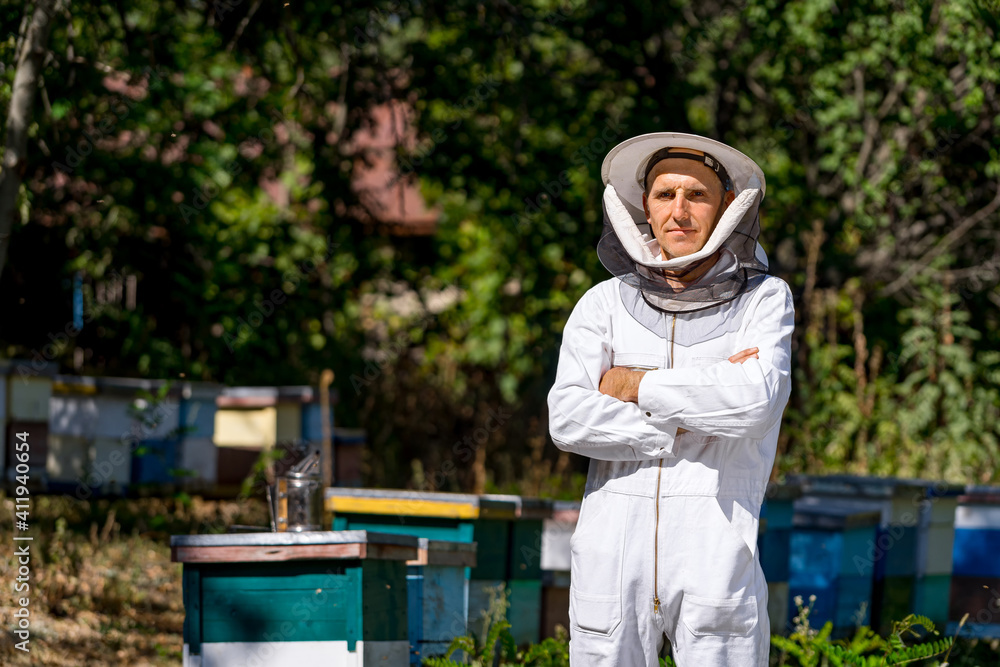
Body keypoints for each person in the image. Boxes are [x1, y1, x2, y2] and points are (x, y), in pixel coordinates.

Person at [547, 132, 794, 666]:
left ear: (728, 207)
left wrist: (636, 386)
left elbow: (754, 403)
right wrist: (692, 409)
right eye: (664, 195)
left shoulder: (765, 300)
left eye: (696, 195)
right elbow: (567, 419)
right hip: (611, 556)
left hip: (716, 552)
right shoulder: (602, 304)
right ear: (643, 206)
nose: (678, 211)